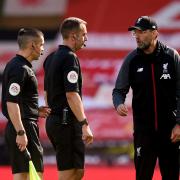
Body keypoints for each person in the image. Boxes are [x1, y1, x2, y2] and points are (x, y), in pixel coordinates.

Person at [112, 16, 180, 180]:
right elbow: (118, 90)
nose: (137, 36)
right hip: (144, 132)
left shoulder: (171, 56)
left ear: (154, 33)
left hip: (170, 132)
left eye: (141, 32)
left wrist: (179, 123)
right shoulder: (132, 59)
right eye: (135, 32)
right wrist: (119, 103)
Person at [43, 17, 93, 180]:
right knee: (70, 173)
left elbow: (46, 92)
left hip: (56, 121)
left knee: (77, 171)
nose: (86, 38)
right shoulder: (70, 58)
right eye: (84, 34)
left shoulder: (51, 58)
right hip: (66, 123)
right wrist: (84, 124)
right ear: (73, 36)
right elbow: (71, 94)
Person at [1, 28, 51, 180]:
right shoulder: (20, 68)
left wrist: (35, 110)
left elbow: (18, 101)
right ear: (33, 45)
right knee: (34, 175)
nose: (43, 49)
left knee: (23, 174)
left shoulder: (16, 65)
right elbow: (11, 102)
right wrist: (21, 132)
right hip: (23, 128)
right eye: (41, 45)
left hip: (20, 125)